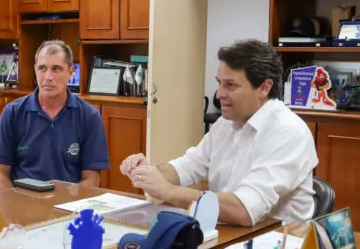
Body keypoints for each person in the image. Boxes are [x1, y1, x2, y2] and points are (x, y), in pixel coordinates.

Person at [121, 40, 317, 225]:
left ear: (264, 88)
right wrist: (150, 172)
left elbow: (245, 210)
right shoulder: (226, 123)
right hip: (226, 236)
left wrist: (169, 192)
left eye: (230, 85)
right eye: (219, 83)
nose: (219, 94)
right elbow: (188, 166)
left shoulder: (288, 131)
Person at [0, 41, 109, 190]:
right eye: (42, 68)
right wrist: (14, 205)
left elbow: (91, 178)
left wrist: (67, 203)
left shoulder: (89, 116)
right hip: (23, 203)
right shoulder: (13, 113)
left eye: (56, 69)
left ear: (71, 72)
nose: (48, 77)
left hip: (68, 203)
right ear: (35, 69)